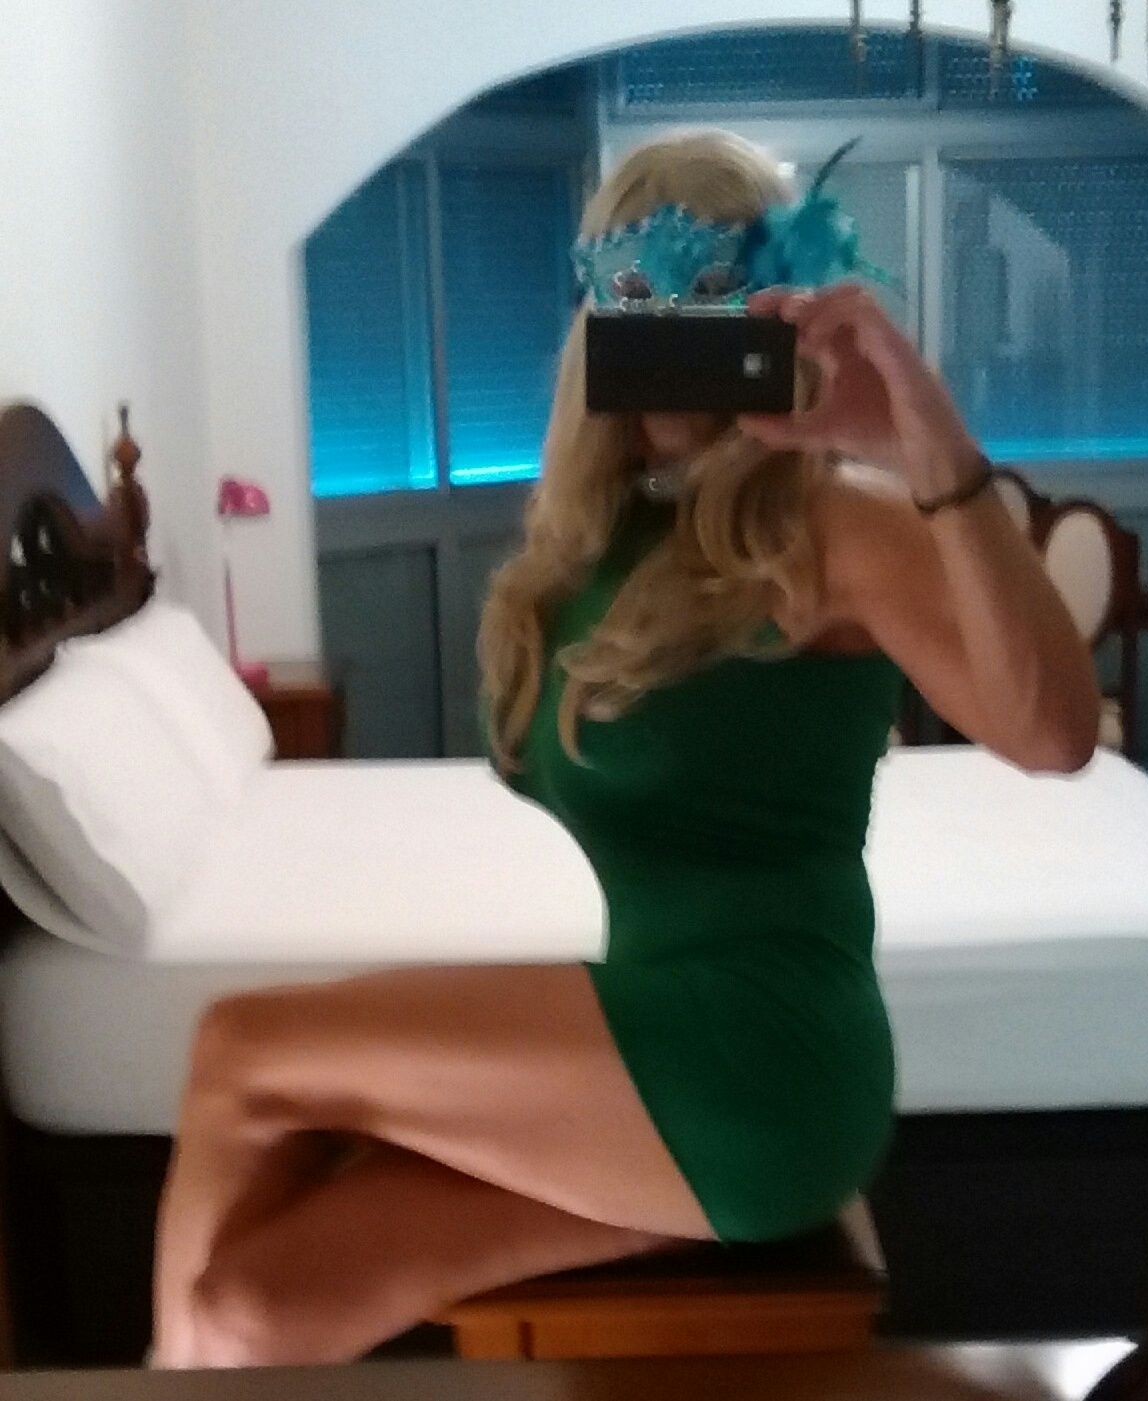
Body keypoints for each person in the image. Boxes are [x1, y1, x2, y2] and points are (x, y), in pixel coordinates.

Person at [150, 129, 1100, 1369]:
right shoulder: (596, 544)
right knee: (248, 1307)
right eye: (632, 294)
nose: (667, 333)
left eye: (712, 297)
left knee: (239, 1052)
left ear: (776, 311)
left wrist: (923, 442)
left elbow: (1053, 735)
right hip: (661, 1058)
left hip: (764, 1057)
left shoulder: (827, 528)